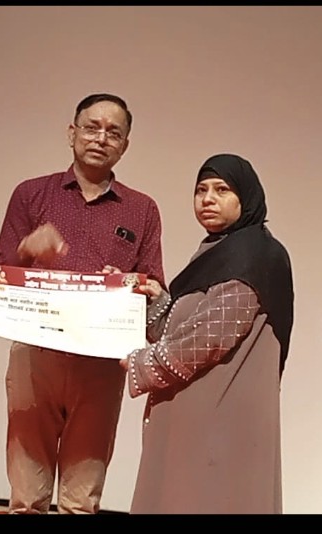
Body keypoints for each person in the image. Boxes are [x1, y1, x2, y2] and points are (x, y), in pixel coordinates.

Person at [0, 93, 165, 514]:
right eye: (91, 127)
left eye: (113, 132)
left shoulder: (141, 209)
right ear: (72, 133)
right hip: (36, 353)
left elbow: (154, 284)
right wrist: (26, 250)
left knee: (82, 498)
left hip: (101, 362)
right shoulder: (32, 194)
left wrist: (129, 284)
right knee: (26, 495)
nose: (101, 138)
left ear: (125, 145)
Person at [121, 153, 294, 514]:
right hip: (195, 413)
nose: (208, 199)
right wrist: (159, 302)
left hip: (222, 419)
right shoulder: (218, 252)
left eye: (221, 190)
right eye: (201, 190)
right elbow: (187, 326)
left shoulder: (255, 255)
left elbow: (210, 337)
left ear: (245, 197)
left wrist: (142, 363)